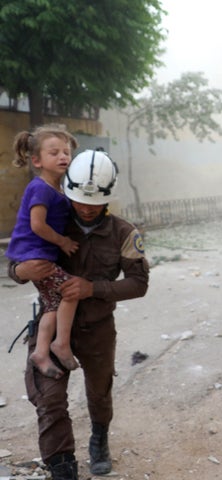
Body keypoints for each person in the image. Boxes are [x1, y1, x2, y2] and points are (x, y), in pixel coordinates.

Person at [8, 148, 150, 480]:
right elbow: (19, 262)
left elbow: (139, 283)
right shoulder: (53, 222)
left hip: (98, 329)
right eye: (80, 200)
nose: (86, 208)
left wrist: (92, 289)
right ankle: (62, 466)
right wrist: (21, 271)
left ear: (109, 198)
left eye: (94, 203)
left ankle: (99, 441)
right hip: (51, 324)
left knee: (99, 393)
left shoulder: (125, 233)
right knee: (48, 398)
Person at [5, 124, 80, 379]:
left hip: (39, 255)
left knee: (52, 303)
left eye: (66, 152)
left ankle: (41, 351)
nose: (63, 157)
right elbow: (37, 225)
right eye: (54, 152)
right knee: (70, 291)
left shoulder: (59, 189)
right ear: (36, 160)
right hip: (33, 254)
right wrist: (63, 242)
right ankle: (61, 343)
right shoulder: (40, 188)